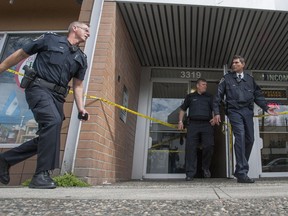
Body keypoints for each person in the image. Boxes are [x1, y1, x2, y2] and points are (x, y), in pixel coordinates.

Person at [0, 21, 90, 189]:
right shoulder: (50, 39)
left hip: (58, 97)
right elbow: (20, 54)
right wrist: (1, 68)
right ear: (74, 28)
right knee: (53, 122)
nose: (88, 33)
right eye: (86, 29)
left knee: (50, 136)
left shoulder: (81, 58)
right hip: (38, 88)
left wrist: (81, 108)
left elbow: (78, 85)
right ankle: (41, 175)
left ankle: (5, 159)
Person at [213, 55, 277, 183]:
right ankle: (242, 173)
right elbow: (218, 96)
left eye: (236, 63)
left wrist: (266, 107)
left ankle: (239, 169)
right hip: (234, 111)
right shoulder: (226, 79)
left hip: (247, 112)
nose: (234, 65)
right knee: (240, 136)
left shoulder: (250, 79)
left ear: (243, 64)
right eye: (233, 63)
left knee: (250, 139)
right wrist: (216, 112)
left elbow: (258, 95)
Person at [178, 78, 215, 181]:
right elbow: (182, 109)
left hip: (207, 124)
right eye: (203, 84)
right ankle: (190, 173)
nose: (205, 86)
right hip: (193, 124)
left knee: (209, 146)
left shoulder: (209, 97)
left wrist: (213, 117)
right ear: (197, 85)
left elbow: (214, 109)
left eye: (206, 85)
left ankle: (205, 168)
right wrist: (180, 121)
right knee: (191, 148)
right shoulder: (190, 97)